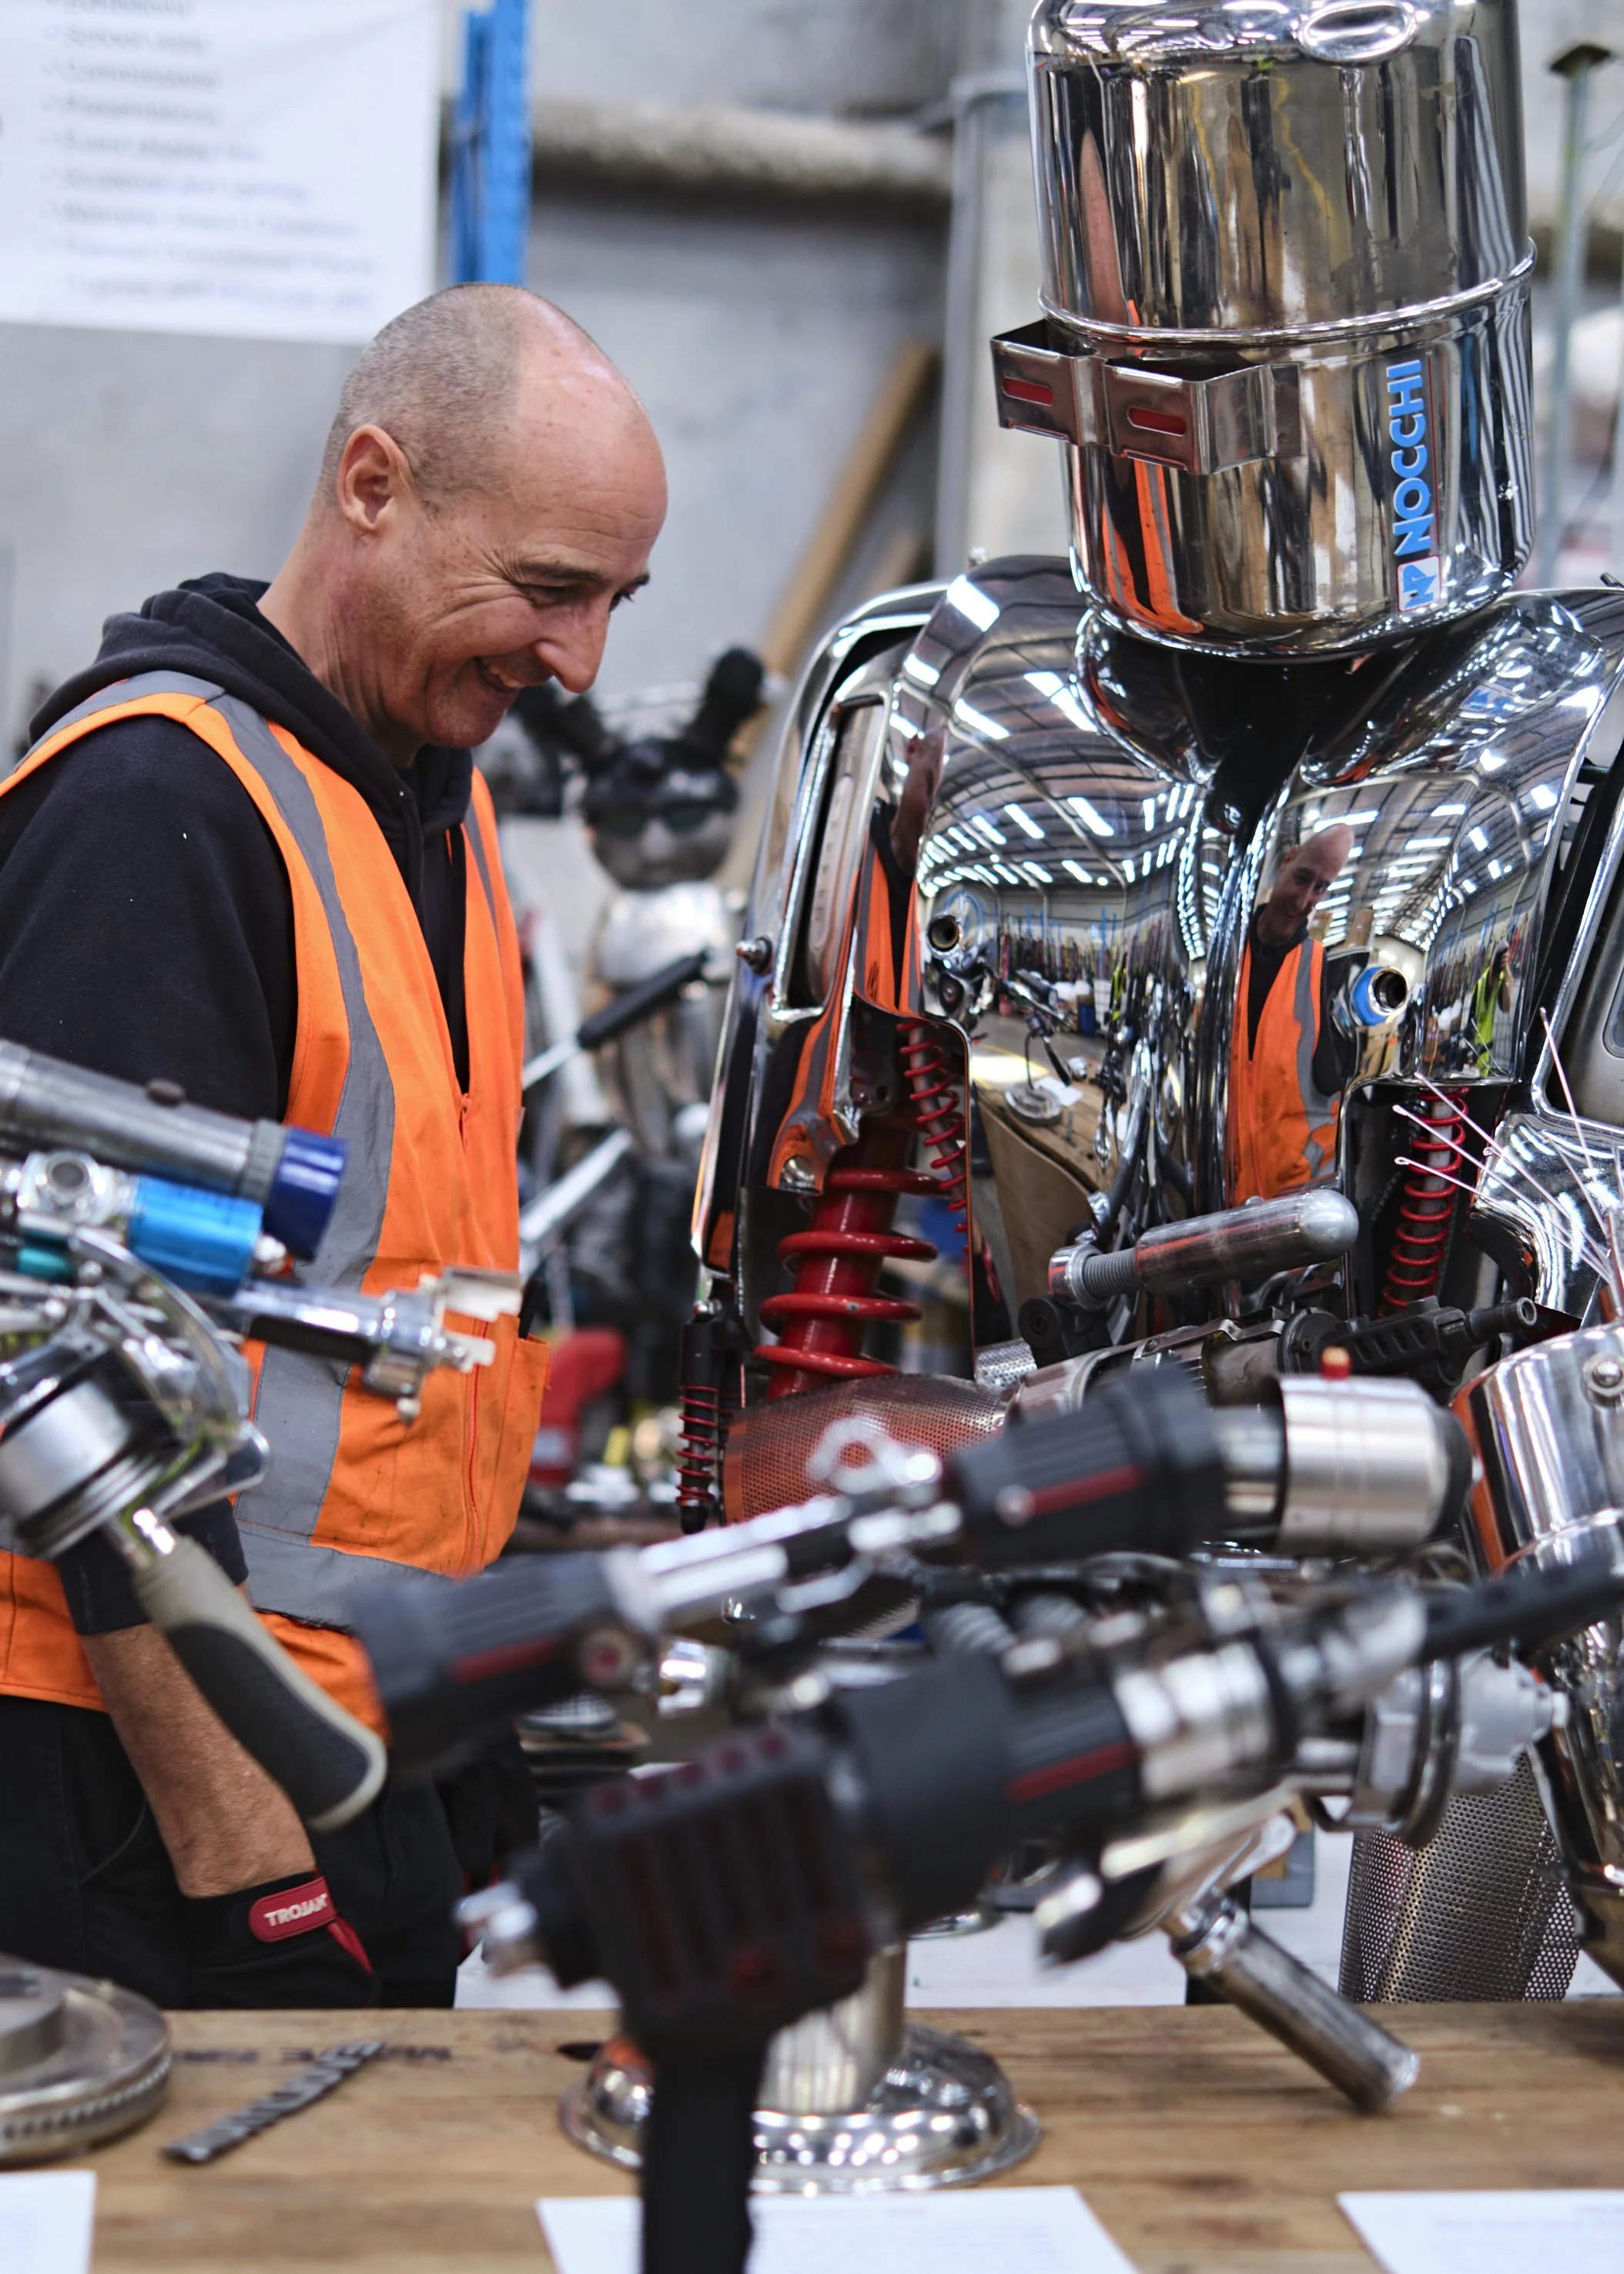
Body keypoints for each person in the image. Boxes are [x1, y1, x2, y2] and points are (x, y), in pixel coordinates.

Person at [0, 286, 667, 2007]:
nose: (579, 661)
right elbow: (88, 1412)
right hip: (144, 1794)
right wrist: (254, 1875)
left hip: (362, 1737)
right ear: (373, 483)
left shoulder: (423, 810)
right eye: (548, 590)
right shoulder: (160, 808)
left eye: (613, 602)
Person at [1228, 823, 1355, 1202]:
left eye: (1320, 888)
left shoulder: (1320, 967)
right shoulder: (1229, 955)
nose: (1303, 902)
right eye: (1302, 879)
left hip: (1290, 1201)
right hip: (1224, 1193)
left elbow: (1333, 1090)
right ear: (1287, 860)